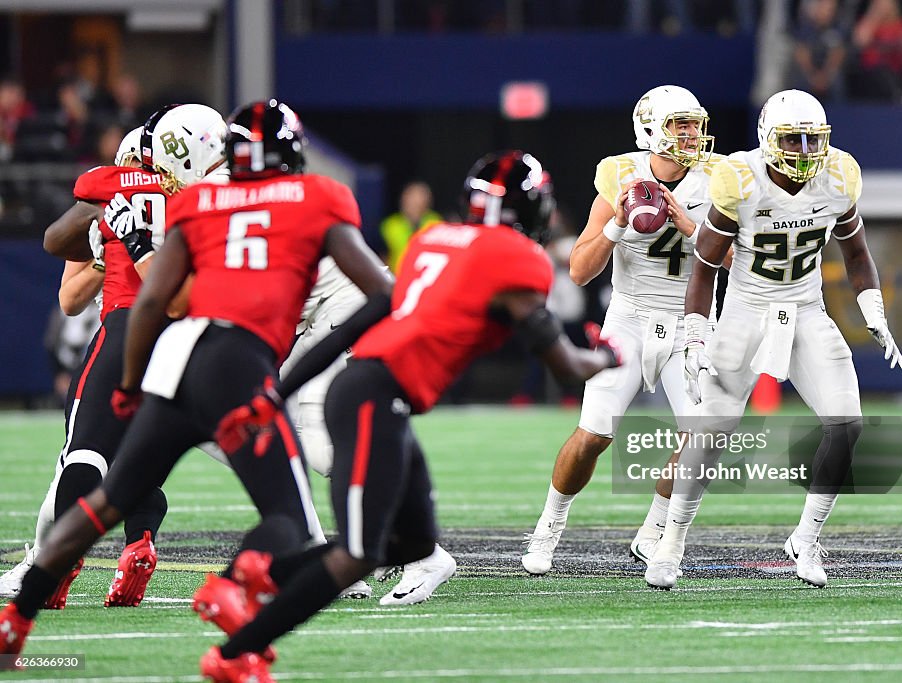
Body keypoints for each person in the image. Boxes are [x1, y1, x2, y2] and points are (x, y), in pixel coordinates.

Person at [200, 149, 622, 681]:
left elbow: (365, 317)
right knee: (359, 553)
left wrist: (280, 390)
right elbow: (565, 366)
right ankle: (237, 648)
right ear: (529, 207)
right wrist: (607, 355)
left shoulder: (431, 239)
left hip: (369, 389)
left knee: (415, 544)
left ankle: (261, 575)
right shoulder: (518, 257)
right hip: (376, 397)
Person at [0, 99, 393, 668]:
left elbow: (157, 299)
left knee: (102, 499)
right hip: (235, 369)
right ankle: (236, 596)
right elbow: (381, 293)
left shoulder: (198, 204)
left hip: (171, 357)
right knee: (285, 513)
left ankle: (16, 622)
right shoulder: (316, 198)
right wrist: (306, 368)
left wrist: (132, 382)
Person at [643, 89, 902, 591]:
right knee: (710, 433)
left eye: (814, 140)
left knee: (846, 425)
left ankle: (806, 539)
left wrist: (874, 311)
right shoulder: (742, 178)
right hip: (746, 310)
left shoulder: (839, 176)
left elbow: (857, 254)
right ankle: (670, 543)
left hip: (806, 309)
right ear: (767, 139)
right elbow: (703, 267)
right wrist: (696, 335)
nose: (805, 151)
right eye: (793, 139)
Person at [0, 111, 225, 609]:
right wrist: (107, 255)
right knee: (152, 463)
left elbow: (56, 245)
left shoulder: (118, 188)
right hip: (194, 341)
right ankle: (138, 544)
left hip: (129, 331)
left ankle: (52, 563)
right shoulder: (199, 198)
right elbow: (70, 297)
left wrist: (117, 236)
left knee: (81, 456)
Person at [521, 85, 725, 576]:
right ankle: (548, 529)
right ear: (651, 129)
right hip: (629, 319)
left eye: (695, 123)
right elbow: (578, 269)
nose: (692, 133)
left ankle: (655, 532)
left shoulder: (720, 180)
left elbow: (744, 261)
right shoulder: (620, 176)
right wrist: (617, 227)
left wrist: (693, 228)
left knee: (703, 439)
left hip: (691, 322)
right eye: (680, 124)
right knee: (594, 433)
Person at [790, 0, 849, 102]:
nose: (826, 11)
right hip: (810, 71)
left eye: (830, 8)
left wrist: (825, 75)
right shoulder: (806, 26)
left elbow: (838, 54)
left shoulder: (838, 27)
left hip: (828, 72)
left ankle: (839, 114)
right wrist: (812, 75)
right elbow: (801, 53)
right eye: (823, 7)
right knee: (798, 78)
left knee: (837, 80)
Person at [379, 180, 442, 272]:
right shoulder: (390, 225)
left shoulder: (436, 223)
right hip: (396, 278)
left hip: (427, 277)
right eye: (410, 197)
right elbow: (382, 257)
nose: (414, 202)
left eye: (419, 198)